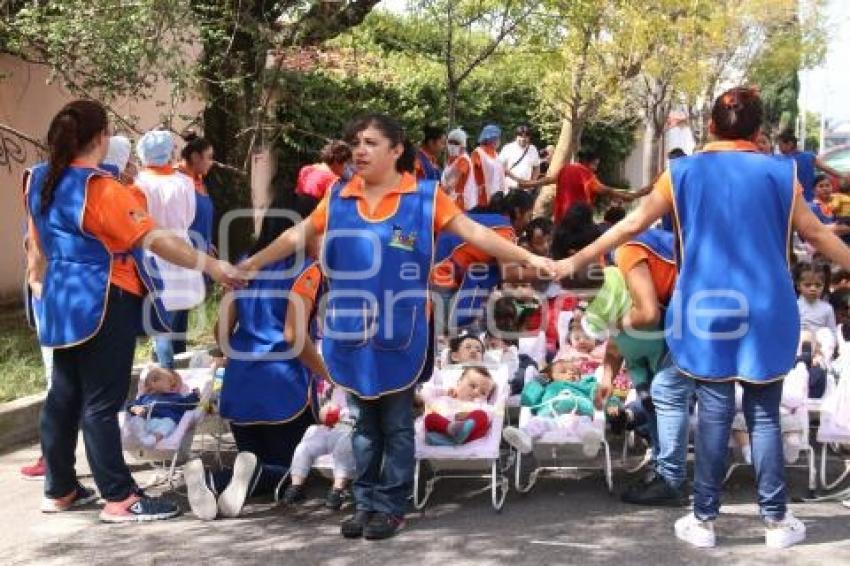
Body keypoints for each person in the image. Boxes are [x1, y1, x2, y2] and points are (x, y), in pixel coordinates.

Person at [555, 86, 850, 549]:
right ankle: (776, 522)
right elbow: (816, 235)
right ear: (759, 131)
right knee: (764, 416)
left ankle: (704, 520)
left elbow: (630, 226)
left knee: (713, 414)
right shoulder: (781, 171)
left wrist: (573, 262)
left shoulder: (682, 172)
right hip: (767, 307)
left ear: (710, 126)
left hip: (705, 310)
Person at [237, 113, 553, 540]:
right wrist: (253, 263)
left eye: (370, 142)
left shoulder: (425, 197)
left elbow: (474, 232)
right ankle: (364, 502)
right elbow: (297, 236)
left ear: (397, 149)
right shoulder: (339, 195)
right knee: (361, 423)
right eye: (355, 143)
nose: (359, 150)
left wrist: (530, 258)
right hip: (349, 330)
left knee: (397, 421)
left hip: (403, 330)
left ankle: (391, 504)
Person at [25, 99, 238, 522]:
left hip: (61, 298)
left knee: (63, 395)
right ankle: (119, 497)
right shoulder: (101, 189)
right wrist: (213, 265)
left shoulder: (39, 179)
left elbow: (37, 246)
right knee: (102, 402)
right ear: (101, 138)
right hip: (104, 299)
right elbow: (155, 239)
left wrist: (37, 282)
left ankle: (60, 488)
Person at [184, 201, 323, 521]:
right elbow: (293, 336)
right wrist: (326, 373)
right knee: (295, 470)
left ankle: (212, 480)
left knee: (252, 460)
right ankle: (248, 475)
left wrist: (239, 358)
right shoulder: (306, 268)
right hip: (285, 388)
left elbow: (221, 329)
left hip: (240, 386)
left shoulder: (244, 264)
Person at [135, 129, 206, 369]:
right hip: (182, 251)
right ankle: (172, 373)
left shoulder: (139, 184)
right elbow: (189, 217)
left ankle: (164, 370)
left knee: (159, 323)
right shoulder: (185, 181)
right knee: (176, 320)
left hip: (154, 251)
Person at [502, 355, 602, 457]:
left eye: (575, 372)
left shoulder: (584, 385)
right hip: (551, 417)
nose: (570, 373)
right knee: (537, 422)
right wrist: (537, 384)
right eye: (563, 371)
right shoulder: (547, 387)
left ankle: (590, 439)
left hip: (577, 413)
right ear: (550, 377)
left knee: (583, 423)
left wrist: (597, 391)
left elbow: (600, 393)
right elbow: (527, 401)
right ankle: (525, 437)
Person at [521, 148, 653, 225]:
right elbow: (607, 190)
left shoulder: (566, 169)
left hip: (560, 222)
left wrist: (527, 183)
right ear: (586, 162)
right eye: (594, 164)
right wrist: (634, 195)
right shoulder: (587, 176)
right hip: (579, 224)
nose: (595, 169)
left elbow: (547, 180)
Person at [283, 383, 355, 510]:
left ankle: (336, 491)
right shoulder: (333, 384)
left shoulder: (361, 382)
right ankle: (295, 488)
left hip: (352, 428)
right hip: (332, 427)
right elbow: (323, 413)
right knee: (307, 441)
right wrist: (325, 412)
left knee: (345, 442)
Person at [125, 367, 200, 447]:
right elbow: (131, 405)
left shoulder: (176, 397)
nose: (173, 385)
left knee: (169, 423)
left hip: (164, 422)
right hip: (146, 421)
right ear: (154, 382)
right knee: (136, 419)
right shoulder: (145, 397)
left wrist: (195, 395)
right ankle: (141, 437)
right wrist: (135, 409)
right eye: (170, 381)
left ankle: (153, 439)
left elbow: (188, 403)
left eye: (175, 385)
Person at [422, 365, 495, 446]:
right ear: (458, 382)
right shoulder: (445, 399)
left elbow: (492, 414)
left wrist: (470, 415)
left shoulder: (480, 406)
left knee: (482, 416)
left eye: (483, 393)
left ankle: (455, 437)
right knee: (430, 418)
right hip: (445, 428)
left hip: (468, 433)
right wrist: (444, 391)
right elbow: (425, 394)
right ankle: (451, 432)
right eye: (472, 386)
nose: (476, 392)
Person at [778, 130, 850, 202]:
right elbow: (827, 169)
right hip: (809, 198)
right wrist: (843, 176)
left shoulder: (782, 160)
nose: (779, 148)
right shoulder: (809, 156)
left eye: (780, 145)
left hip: (792, 200)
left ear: (789, 144)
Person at [177, 132, 216, 256]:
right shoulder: (177, 183)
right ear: (195, 157)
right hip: (184, 257)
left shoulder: (199, 181)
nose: (212, 162)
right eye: (209, 157)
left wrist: (207, 244)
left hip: (202, 256)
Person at [295, 140, 352, 216]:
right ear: (337, 163)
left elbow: (297, 192)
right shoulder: (333, 180)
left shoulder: (306, 169)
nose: (346, 167)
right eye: (346, 163)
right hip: (314, 217)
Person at [441, 128, 477, 210]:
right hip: (450, 198)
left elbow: (454, 182)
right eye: (450, 142)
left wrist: (440, 193)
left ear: (463, 145)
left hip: (459, 202)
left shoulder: (463, 160)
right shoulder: (451, 159)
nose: (452, 145)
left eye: (456, 143)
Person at [471, 124, 506, 206]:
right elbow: (472, 174)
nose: (498, 140)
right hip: (482, 197)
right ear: (491, 138)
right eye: (497, 138)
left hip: (497, 197)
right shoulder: (478, 153)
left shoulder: (496, 154)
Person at [498, 125, 540, 191]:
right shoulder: (508, 148)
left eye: (526, 136)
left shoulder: (533, 149)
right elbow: (500, 167)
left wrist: (533, 182)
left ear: (529, 137)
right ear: (516, 137)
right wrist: (517, 179)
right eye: (520, 136)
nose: (523, 139)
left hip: (526, 189)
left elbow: (537, 167)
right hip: (509, 188)